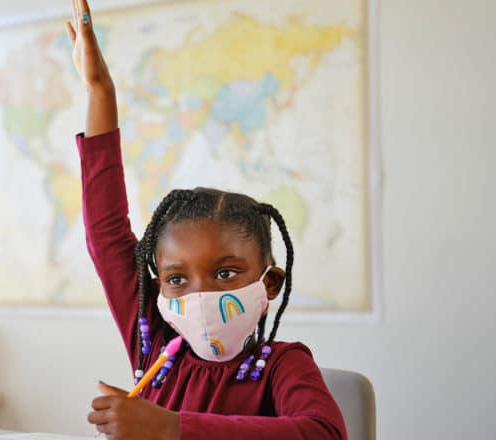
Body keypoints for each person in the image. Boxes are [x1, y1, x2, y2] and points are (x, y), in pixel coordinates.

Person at [65, 0, 348, 438]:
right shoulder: (154, 348)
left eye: (225, 272)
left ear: (269, 283)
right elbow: (106, 233)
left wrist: (172, 428)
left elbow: (324, 433)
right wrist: (100, 93)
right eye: (177, 279)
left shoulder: (281, 365)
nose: (199, 296)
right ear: (158, 285)